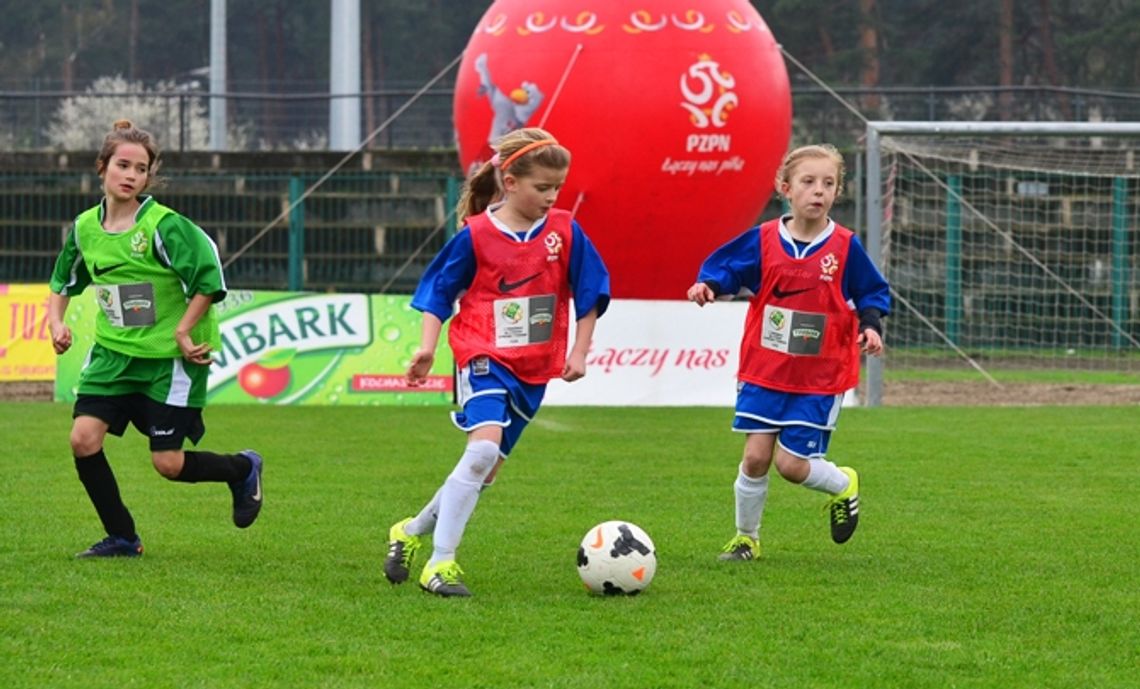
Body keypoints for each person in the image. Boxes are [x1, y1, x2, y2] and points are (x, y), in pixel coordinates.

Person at [384, 127, 610, 597]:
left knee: (483, 470)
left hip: (534, 367)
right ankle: (440, 565)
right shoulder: (477, 235)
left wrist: (580, 351)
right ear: (510, 182)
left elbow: (591, 293)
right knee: (483, 450)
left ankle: (409, 531)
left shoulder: (566, 231)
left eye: (557, 188)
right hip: (481, 352)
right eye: (541, 187)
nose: (551, 197)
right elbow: (438, 293)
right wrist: (427, 347)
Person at [47, 119, 263, 558]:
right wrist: (57, 323)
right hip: (113, 355)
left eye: (140, 169)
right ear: (102, 168)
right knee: (83, 439)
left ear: (148, 177)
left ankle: (242, 469)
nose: (130, 175)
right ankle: (123, 538)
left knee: (167, 463)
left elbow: (208, 277)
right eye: (122, 165)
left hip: (169, 358)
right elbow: (62, 282)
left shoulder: (164, 226)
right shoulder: (86, 228)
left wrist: (184, 330)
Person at [686, 143, 890, 560]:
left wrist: (870, 325)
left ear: (837, 192)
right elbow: (726, 269)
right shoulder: (763, 239)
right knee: (756, 456)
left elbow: (870, 291)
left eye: (828, 184)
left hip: (819, 378)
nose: (819, 191)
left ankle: (843, 484)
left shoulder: (845, 246)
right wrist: (708, 285)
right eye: (809, 182)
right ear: (785, 187)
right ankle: (746, 538)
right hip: (766, 369)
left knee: (792, 467)